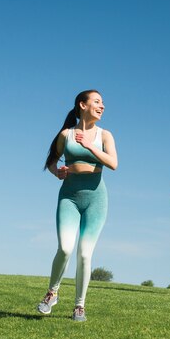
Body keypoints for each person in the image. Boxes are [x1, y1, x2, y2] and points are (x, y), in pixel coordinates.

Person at [37, 90, 118, 321]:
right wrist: (58, 173)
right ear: (82, 105)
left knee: (84, 254)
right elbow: (52, 162)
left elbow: (113, 163)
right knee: (65, 248)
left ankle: (79, 306)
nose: (102, 106)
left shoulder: (105, 135)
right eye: (97, 102)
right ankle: (52, 293)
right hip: (69, 198)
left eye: (103, 102)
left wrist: (91, 147)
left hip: (96, 199)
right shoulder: (66, 134)